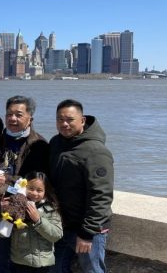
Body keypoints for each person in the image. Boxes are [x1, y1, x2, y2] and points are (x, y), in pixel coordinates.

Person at [50, 99, 114, 273]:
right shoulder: (56, 143)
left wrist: (87, 233)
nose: (64, 124)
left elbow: (101, 195)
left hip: (88, 229)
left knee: (92, 270)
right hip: (62, 224)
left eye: (70, 119)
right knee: (55, 269)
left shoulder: (96, 151)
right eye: (59, 119)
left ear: (82, 120)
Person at [0, 96, 50, 273]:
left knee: (16, 264)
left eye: (18, 114)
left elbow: (39, 183)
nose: (13, 119)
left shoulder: (39, 145)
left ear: (30, 117)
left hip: (20, 213)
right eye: (9, 114)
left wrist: (8, 180)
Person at [0, 171, 63, 272]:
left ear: (45, 191)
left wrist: (38, 220)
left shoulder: (50, 209)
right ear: (24, 187)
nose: (34, 193)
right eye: (31, 189)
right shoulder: (14, 205)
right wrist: (3, 213)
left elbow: (57, 235)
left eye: (39, 190)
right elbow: (1, 234)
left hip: (42, 264)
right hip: (20, 262)